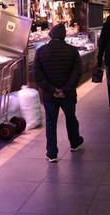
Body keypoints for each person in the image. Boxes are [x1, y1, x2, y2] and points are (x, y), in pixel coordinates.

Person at [33, 23, 85, 163]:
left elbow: (37, 74)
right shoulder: (72, 51)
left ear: (51, 35)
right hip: (67, 94)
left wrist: (51, 89)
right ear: (64, 35)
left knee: (51, 122)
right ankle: (74, 143)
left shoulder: (41, 51)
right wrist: (65, 89)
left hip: (50, 95)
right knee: (71, 117)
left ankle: (52, 153)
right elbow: (77, 72)